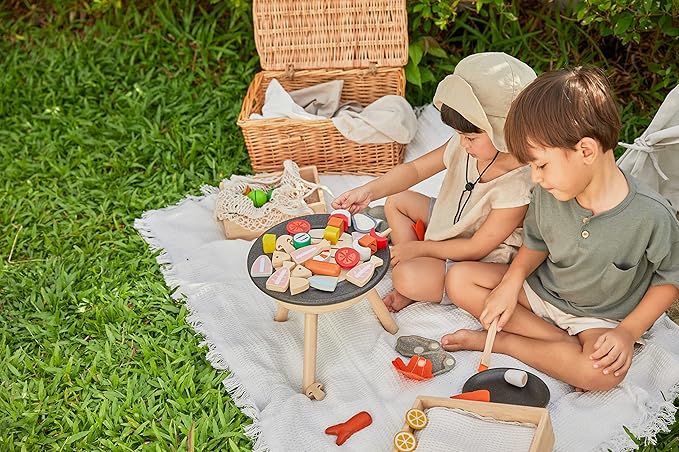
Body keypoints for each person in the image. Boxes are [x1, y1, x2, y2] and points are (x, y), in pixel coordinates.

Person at [440, 67, 679, 391]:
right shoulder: (548, 192)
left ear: (585, 151)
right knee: (459, 279)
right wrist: (511, 282)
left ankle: (504, 342)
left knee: (601, 374)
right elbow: (536, 241)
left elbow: (670, 278)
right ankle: (558, 345)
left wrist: (628, 332)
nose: (535, 177)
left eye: (540, 165)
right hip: (541, 291)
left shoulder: (651, 215)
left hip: (595, 318)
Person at [331, 52, 537, 312]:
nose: (462, 143)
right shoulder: (465, 145)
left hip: (476, 257)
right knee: (396, 200)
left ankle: (415, 275)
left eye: (470, 137)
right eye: (459, 135)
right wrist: (369, 190)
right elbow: (415, 170)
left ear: (503, 131)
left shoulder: (516, 186)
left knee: (406, 276)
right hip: (449, 221)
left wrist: (419, 249)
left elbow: (476, 247)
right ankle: (413, 262)